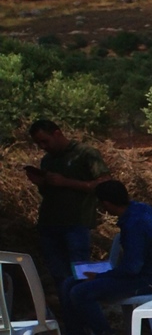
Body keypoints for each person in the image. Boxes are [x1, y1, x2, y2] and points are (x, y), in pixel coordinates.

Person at [50, 180, 152, 335]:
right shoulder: (140, 208)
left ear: (106, 204)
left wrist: (101, 276)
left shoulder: (134, 224)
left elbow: (132, 267)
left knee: (81, 292)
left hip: (149, 279)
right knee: (69, 283)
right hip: (142, 273)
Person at [23, 119, 111, 287]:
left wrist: (67, 182)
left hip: (76, 223)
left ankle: (86, 310)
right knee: (59, 276)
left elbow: (105, 183)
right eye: (38, 143)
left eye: (45, 141)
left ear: (57, 133)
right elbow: (49, 193)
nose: (43, 146)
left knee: (80, 274)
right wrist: (41, 183)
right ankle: (68, 311)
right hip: (49, 224)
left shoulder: (85, 154)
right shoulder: (47, 160)